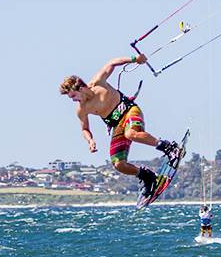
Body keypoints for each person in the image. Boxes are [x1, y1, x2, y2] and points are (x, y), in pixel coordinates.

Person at [60, 54, 180, 197]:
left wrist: (135, 59)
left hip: (130, 111)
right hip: (118, 125)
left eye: (73, 96)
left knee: (131, 133)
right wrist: (90, 140)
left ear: (81, 88)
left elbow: (112, 63)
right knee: (119, 164)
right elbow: (85, 129)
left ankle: (170, 148)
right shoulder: (82, 109)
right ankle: (148, 176)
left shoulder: (98, 82)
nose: (73, 100)